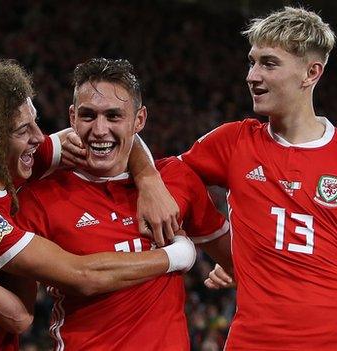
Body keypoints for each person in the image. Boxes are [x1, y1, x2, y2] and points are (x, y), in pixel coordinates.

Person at [175, 7, 337, 350]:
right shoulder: (234, 142)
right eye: (251, 62)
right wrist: (216, 237)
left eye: (268, 64)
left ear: (311, 72)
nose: (252, 76)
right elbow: (173, 174)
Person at [0, 60, 196, 351]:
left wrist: (149, 180)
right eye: (23, 130)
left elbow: (113, 134)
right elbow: (81, 275)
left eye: (34, 121)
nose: (39, 136)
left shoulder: (18, 161)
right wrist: (177, 255)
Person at [13, 58, 232, 351]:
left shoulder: (175, 180)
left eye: (114, 116)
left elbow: (240, 261)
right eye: (88, 116)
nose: (100, 130)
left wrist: (233, 271)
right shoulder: (38, 199)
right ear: (72, 117)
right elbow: (19, 314)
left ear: (139, 120)